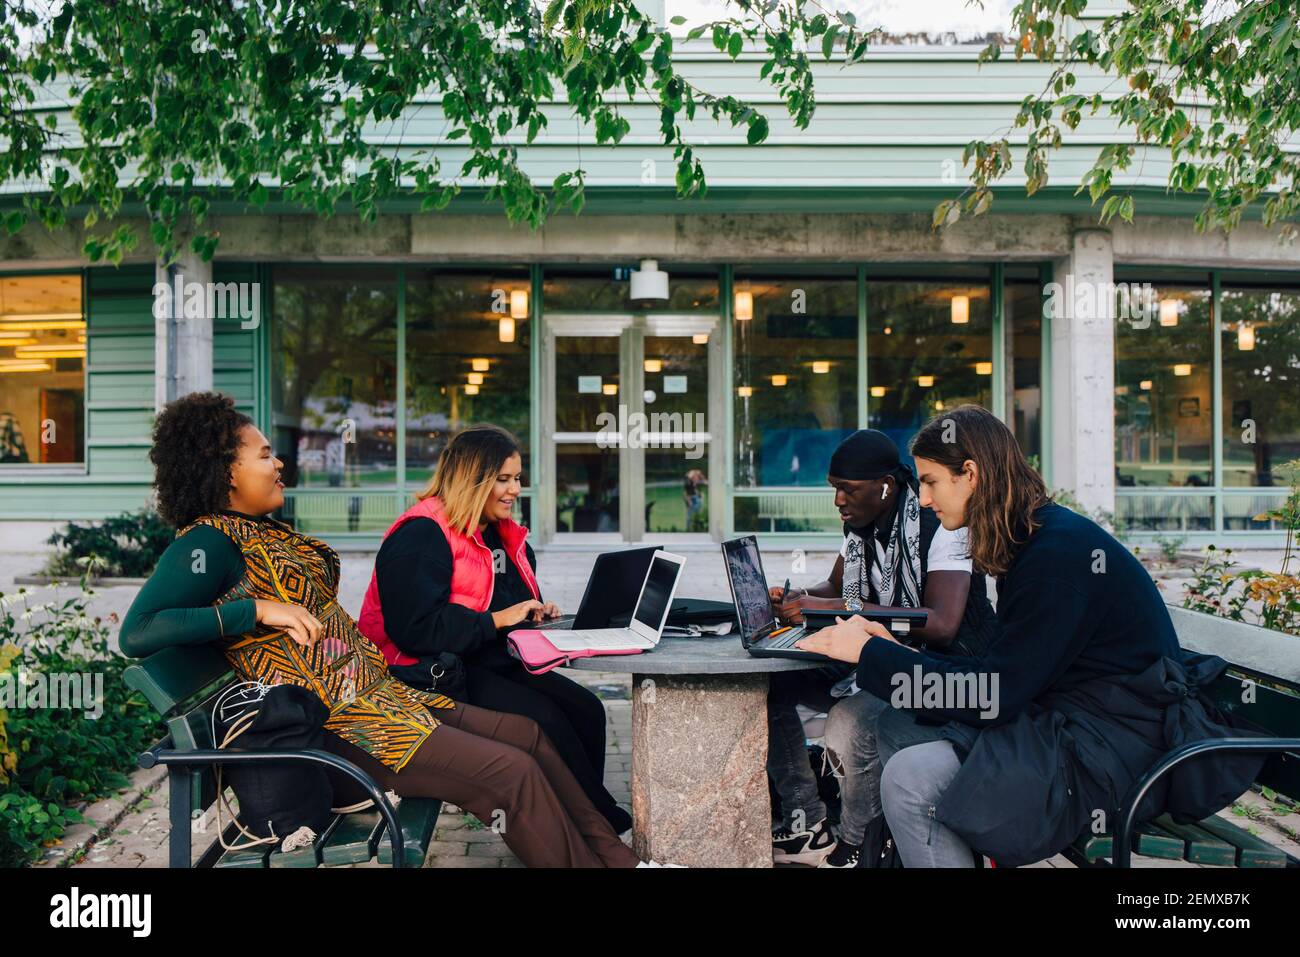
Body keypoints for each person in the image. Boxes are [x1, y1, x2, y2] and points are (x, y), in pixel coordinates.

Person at [119, 393, 645, 868]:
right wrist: (255, 610)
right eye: (262, 455)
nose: (278, 463)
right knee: (509, 772)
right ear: (225, 471)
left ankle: (620, 861)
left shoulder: (258, 531)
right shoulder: (209, 543)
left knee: (528, 734)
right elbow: (138, 631)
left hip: (378, 698)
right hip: (345, 729)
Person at [795, 405, 1263, 867]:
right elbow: (1001, 676)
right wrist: (889, 650)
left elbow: (992, 696)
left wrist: (871, 654)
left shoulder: (1054, 561)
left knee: (911, 780)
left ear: (972, 474)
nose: (923, 500)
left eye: (933, 482)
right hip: (1076, 718)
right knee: (897, 724)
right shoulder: (1034, 538)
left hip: (1118, 751)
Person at [356, 425, 632, 835]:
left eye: (517, 478)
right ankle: (597, 825)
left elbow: (503, 600)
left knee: (587, 709)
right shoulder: (421, 534)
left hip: (483, 657)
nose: (514, 490)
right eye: (502, 479)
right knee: (546, 721)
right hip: (430, 672)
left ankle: (580, 817)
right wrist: (497, 620)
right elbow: (414, 630)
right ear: (472, 478)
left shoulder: (498, 534)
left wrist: (533, 611)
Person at [765, 429, 998, 867]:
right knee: (774, 686)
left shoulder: (943, 526)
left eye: (848, 489)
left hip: (943, 668)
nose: (838, 500)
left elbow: (943, 624)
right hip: (877, 652)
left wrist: (835, 606)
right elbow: (833, 588)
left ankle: (858, 845)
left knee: (851, 722)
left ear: (886, 486)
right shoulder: (860, 529)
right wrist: (795, 600)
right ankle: (807, 822)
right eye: (835, 489)